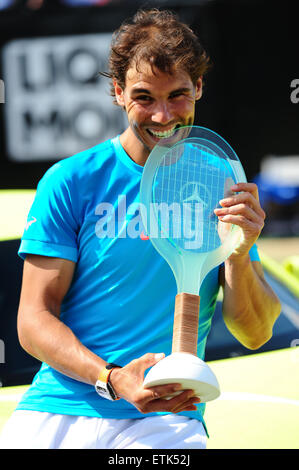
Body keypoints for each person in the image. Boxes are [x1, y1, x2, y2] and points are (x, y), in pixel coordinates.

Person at [0, 8, 281, 449]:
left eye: (178, 96)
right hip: (56, 407)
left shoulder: (219, 182)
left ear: (200, 88)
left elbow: (256, 332)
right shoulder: (72, 180)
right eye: (144, 97)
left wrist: (241, 253)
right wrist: (110, 379)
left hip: (166, 416)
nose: (164, 116)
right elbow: (33, 319)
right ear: (117, 92)